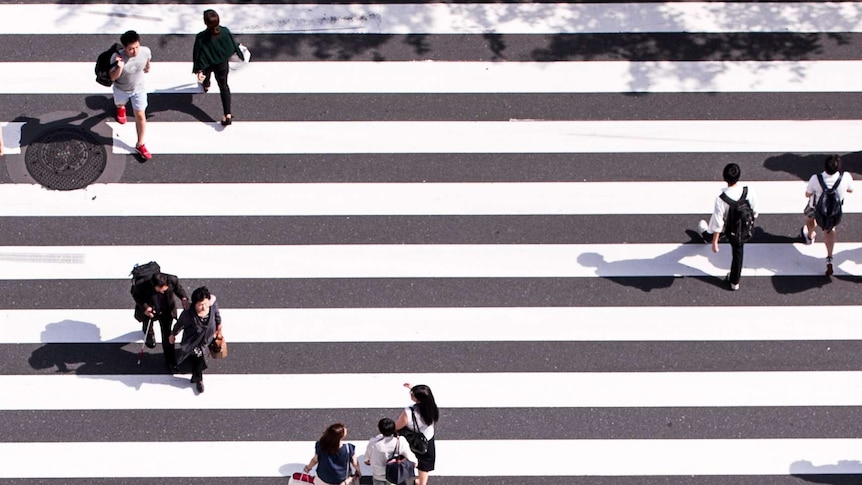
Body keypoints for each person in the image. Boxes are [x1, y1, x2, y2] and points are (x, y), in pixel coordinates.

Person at [697, 163, 758, 291]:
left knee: (716, 223)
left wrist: (715, 242)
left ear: (724, 178)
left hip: (730, 229)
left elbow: (719, 222)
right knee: (738, 254)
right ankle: (734, 281)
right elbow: (755, 211)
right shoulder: (748, 191)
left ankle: (707, 235)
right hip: (744, 229)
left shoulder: (721, 199)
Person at [801, 154, 853, 276]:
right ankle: (829, 257)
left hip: (816, 208)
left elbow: (807, 194)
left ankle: (809, 235)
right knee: (829, 230)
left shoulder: (816, 178)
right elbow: (851, 190)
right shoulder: (845, 177)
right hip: (833, 211)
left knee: (810, 218)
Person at [192, 9, 243, 126]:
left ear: (205, 23)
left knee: (207, 74)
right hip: (222, 64)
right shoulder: (225, 31)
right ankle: (227, 114)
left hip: (208, 63)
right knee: (224, 86)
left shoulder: (201, 37)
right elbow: (231, 44)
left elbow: (198, 55)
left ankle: (206, 84)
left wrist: (198, 69)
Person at [131, 271, 189, 371]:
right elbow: (136, 295)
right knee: (148, 322)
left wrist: (184, 298)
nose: (162, 291)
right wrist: (145, 308)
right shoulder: (142, 284)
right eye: (160, 290)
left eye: (164, 289)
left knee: (167, 335)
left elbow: (179, 290)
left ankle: (170, 361)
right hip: (151, 308)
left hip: (166, 311)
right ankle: (148, 332)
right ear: (153, 285)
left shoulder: (172, 279)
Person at [109, 30, 153, 160]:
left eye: (136, 47)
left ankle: (140, 144)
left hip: (139, 89)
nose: (135, 51)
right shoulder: (116, 58)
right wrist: (120, 67)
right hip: (121, 89)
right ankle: (120, 108)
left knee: (140, 115)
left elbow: (147, 59)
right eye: (131, 49)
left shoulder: (145, 51)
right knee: (120, 103)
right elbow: (112, 77)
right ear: (124, 48)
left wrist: (148, 67)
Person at [169, 286, 221, 394]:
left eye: (205, 304)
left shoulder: (212, 306)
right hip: (193, 341)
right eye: (200, 305)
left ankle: (195, 372)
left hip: (207, 338)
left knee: (198, 356)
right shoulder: (188, 314)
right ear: (194, 304)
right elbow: (179, 324)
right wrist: (173, 334)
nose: (203, 307)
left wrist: (219, 327)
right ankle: (198, 379)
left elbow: (217, 316)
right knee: (198, 358)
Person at [395, 384, 439, 485]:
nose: (410, 394)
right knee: (424, 464)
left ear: (417, 399)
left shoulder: (409, 412)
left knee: (406, 456)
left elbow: (398, 426)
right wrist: (414, 388)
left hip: (411, 439)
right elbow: (425, 396)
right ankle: (421, 483)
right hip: (426, 439)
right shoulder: (432, 408)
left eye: (412, 394)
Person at [364, 418, 417, 485]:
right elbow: (411, 458)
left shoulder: (374, 442)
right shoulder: (400, 441)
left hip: (378, 474)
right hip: (395, 474)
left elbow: (366, 460)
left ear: (380, 430)